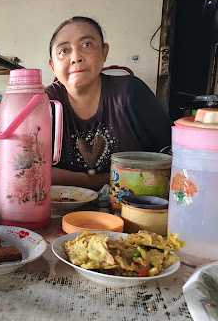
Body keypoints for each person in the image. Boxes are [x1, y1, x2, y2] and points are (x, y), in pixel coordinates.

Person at [46, 16, 172, 190]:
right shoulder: (45, 103)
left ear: (104, 52)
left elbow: (170, 158)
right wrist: (97, 181)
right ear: (52, 66)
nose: (76, 57)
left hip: (133, 206)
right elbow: (32, 171)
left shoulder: (130, 93)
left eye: (87, 44)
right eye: (63, 51)